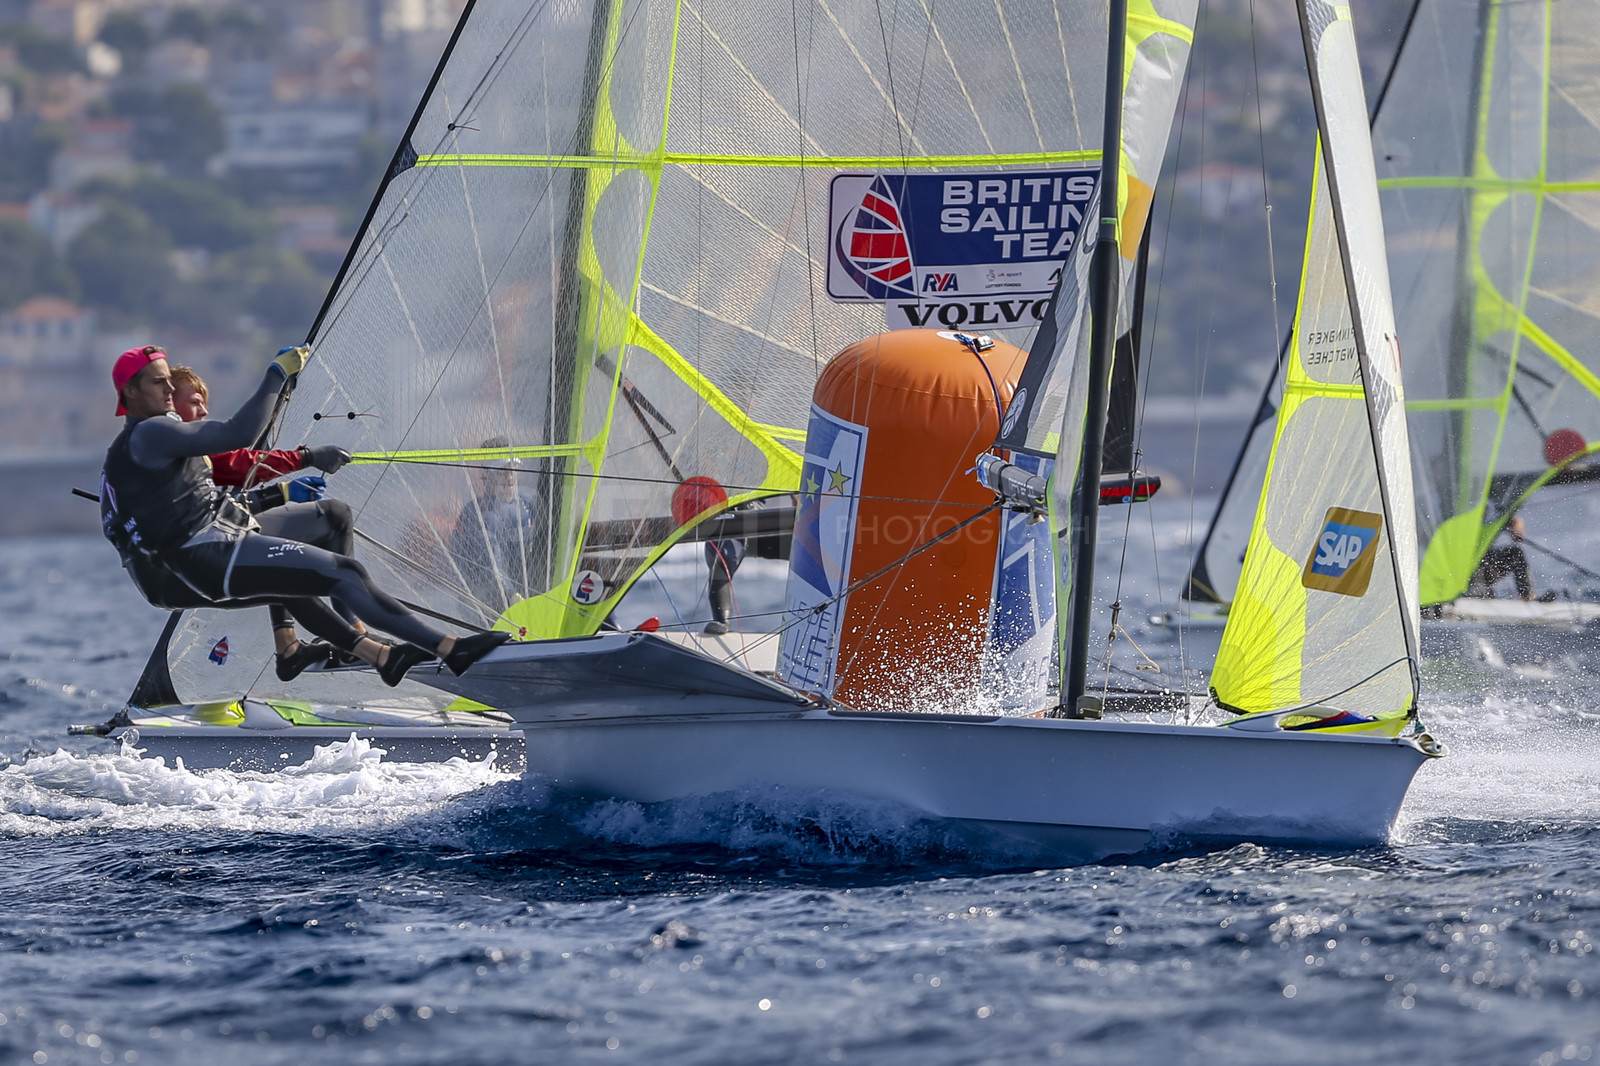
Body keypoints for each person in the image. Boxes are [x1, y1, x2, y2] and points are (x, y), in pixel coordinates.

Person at [100, 344, 510, 686]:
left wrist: (280, 490)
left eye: (171, 380)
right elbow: (238, 437)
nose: (170, 388)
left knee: (319, 539)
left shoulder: (141, 443)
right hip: (207, 554)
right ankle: (449, 649)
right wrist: (277, 373)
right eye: (159, 382)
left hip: (207, 549)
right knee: (344, 574)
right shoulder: (150, 432)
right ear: (130, 393)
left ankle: (378, 656)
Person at [169, 364, 370, 670]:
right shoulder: (182, 448)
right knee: (336, 515)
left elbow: (232, 496)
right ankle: (357, 639)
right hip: (199, 568)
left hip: (190, 567)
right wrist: (309, 457)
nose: (204, 412)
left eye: (205, 403)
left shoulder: (154, 450)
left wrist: (284, 492)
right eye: (195, 402)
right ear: (170, 405)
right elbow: (243, 465)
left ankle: (288, 648)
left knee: (275, 547)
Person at [449, 436, 550, 613]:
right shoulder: (480, 514)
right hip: (483, 602)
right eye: (501, 471)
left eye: (512, 469)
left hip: (524, 594)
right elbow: (492, 564)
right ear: (486, 475)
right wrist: (511, 594)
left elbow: (548, 541)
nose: (509, 477)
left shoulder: (531, 502)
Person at [1468, 514, 1552, 601]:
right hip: (1464, 568)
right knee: (1477, 566)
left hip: (1484, 563)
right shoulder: (1462, 511)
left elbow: (1514, 520)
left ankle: (1527, 595)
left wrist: (1516, 528)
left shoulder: (1487, 512)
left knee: (1515, 554)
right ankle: (1475, 592)